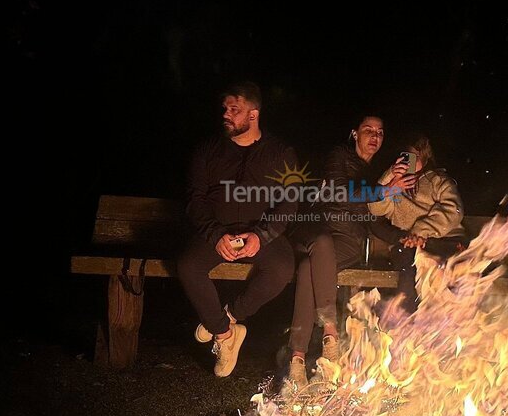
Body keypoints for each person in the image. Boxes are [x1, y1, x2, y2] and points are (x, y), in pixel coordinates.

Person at [178, 82, 297, 377]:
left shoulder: (280, 152)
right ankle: (224, 335)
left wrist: (262, 235)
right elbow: (195, 200)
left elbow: (289, 203)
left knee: (282, 268)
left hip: (259, 234)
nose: (226, 115)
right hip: (217, 233)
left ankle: (229, 316)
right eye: (225, 109)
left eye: (234, 109)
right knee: (188, 266)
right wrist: (215, 234)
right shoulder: (208, 150)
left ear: (253, 114)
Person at [284, 116, 403, 383]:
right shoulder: (339, 155)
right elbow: (339, 192)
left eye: (380, 132)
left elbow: (374, 221)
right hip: (316, 227)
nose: (375, 136)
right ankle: (330, 333)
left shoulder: (378, 173)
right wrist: (383, 191)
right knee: (321, 244)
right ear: (355, 134)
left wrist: (403, 237)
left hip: (348, 241)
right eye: (368, 130)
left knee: (308, 269)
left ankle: (297, 360)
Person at [368, 135, 466, 313]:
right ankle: (407, 320)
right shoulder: (395, 184)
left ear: (425, 157)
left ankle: (447, 322)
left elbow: (453, 210)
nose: (408, 162)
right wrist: (390, 177)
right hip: (409, 245)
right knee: (408, 267)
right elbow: (375, 209)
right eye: (404, 156)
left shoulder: (438, 180)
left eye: (414, 157)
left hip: (442, 241)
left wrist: (420, 231)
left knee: (446, 272)